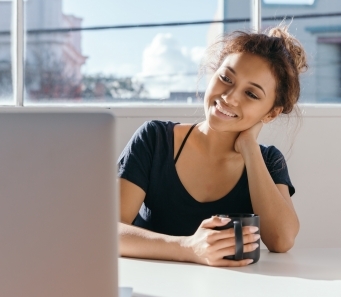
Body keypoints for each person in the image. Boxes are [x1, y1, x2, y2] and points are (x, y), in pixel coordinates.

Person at [117, 24, 308, 267]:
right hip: (155, 291)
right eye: (226, 78)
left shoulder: (268, 160)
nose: (229, 97)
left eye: (251, 94)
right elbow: (107, 231)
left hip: (231, 296)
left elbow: (281, 240)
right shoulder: (154, 140)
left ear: (270, 114)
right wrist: (189, 249)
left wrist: (249, 146)